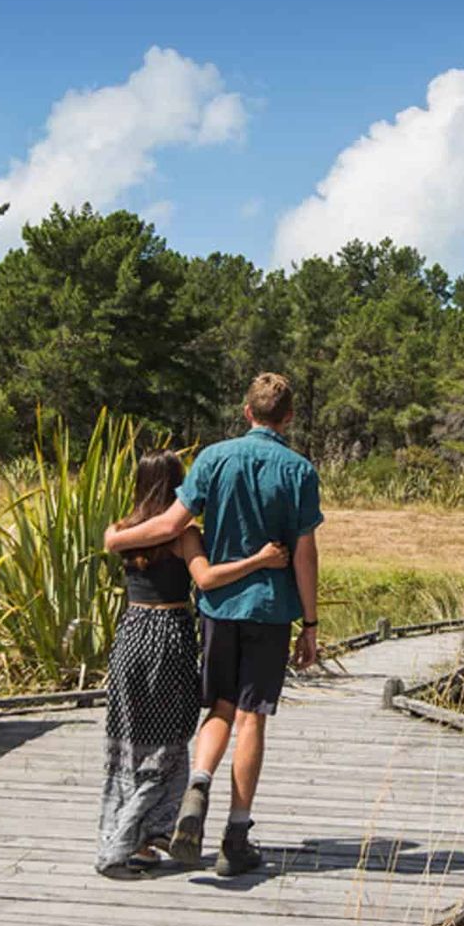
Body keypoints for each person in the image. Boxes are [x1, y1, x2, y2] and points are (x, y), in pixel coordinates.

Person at [104, 373, 322, 877]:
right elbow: (306, 553)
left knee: (220, 707)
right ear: (287, 418)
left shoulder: (214, 459)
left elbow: (170, 525)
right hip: (269, 610)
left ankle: (198, 782)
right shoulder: (299, 470)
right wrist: (309, 623)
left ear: (247, 412)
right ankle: (235, 835)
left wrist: (119, 540)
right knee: (252, 716)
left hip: (218, 609)